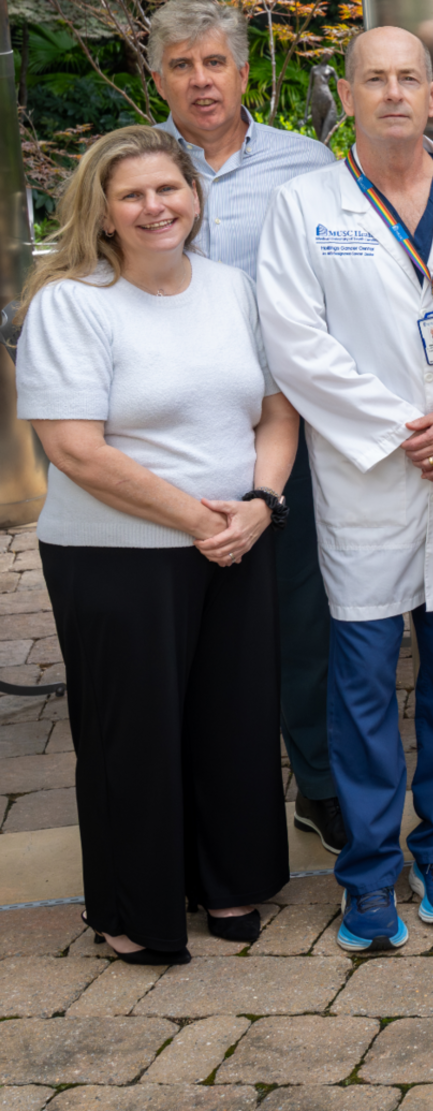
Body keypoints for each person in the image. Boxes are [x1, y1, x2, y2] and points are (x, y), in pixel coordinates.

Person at [19, 124, 300, 963]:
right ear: (102, 213)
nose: (155, 207)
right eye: (133, 194)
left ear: (195, 197)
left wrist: (260, 503)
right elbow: (75, 448)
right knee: (131, 734)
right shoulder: (71, 302)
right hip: (116, 554)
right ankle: (134, 906)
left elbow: (277, 412)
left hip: (234, 538)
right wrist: (197, 518)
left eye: (168, 189)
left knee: (235, 719)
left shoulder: (231, 287)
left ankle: (229, 879)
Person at [255, 25, 433, 951]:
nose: (393, 92)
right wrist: (402, 428)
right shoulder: (303, 203)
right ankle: (367, 871)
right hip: (369, 474)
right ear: (348, 96)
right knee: (359, 683)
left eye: (410, 78)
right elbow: (294, 341)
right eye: (375, 79)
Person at [147, 0, 347, 858]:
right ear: (157, 77)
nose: (200, 80)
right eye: (182, 65)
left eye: (214, 62)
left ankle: (320, 779)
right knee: (187, 623)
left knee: (304, 611)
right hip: (170, 435)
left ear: (241, 71)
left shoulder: (306, 167)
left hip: (289, 426)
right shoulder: (136, 166)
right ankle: (207, 792)